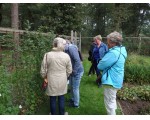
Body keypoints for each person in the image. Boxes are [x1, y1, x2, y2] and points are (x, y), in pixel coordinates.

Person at [97, 31, 127, 115]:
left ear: (113, 42)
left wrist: (103, 62)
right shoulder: (122, 50)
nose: (107, 44)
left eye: (108, 41)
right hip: (117, 79)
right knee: (112, 99)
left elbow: (100, 66)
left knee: (109, 103)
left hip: (111, 81)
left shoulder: (113, 53)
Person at [40, 37, 72, 115]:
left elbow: (43, 70)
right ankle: (62, 114)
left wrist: (45, 77)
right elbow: (69, 70)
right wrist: (65, 76)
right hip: (62, 79)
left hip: (51, 79)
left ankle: (53, 115)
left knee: (52, 98)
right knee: (61, 97)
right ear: (61, 45)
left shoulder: (47, 55)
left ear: (54, 44)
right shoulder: (66, 56)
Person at [64, 40, 84, 108]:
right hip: (72, 71)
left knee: (75, 88)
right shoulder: (67, 49)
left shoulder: (71, 48)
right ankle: (73, 99)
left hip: (77, 71)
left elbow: (77, 61)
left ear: (66, 44)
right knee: (71, 87)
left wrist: (74, 71)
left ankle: (76, 104)